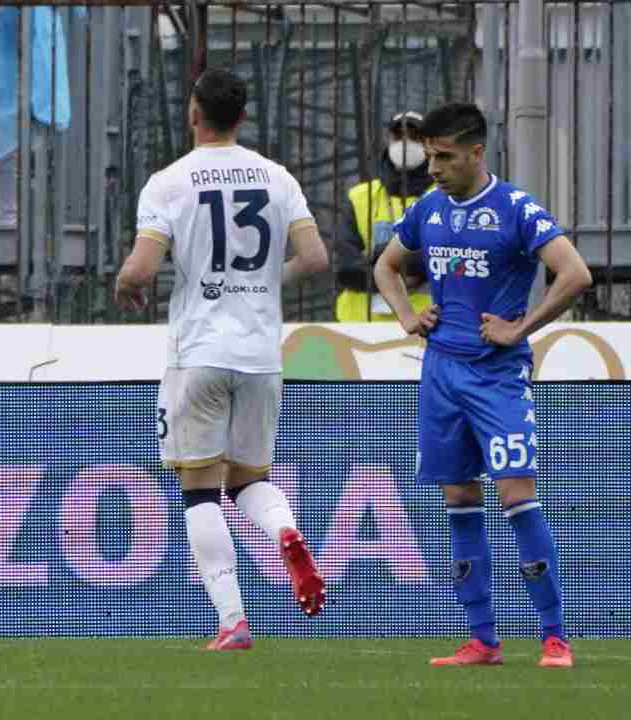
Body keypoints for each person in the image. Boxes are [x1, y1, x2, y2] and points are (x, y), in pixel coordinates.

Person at [114, 68, 329, 651]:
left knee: (200, 489)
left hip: (200, 351)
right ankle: (286, 530)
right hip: (261, 353)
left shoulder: (169, 181)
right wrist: (262, 286)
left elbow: (141, 268)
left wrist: (125, 284)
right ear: (241, 116)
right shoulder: (276, 177)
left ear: (193, 113)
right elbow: (314, 258)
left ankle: (232, 620)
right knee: (252, 479)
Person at [373, 102, 590, 668]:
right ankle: (483, 640)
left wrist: (521, 327)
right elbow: (385, 267)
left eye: (444, 157)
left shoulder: (516, 208)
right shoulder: (428, 208)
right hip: (441, 372)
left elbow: (575, 274)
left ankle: (554, 636)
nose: (433, 168)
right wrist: (406, 316)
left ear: (475, 153)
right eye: (429, 157)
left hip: (496, 375)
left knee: (516, 495)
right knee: (459, 498)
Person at [335, 111, 434, 321]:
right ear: (389, 141)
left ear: (428, 144)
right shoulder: (360, 196)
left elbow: (440, 258)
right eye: (399, 136)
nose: (406, 143)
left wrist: (379, 259)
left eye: (415, 137)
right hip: (360, 325)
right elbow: (345, 267)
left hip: (426, 324)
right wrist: (401, 266)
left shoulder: (444, 198)